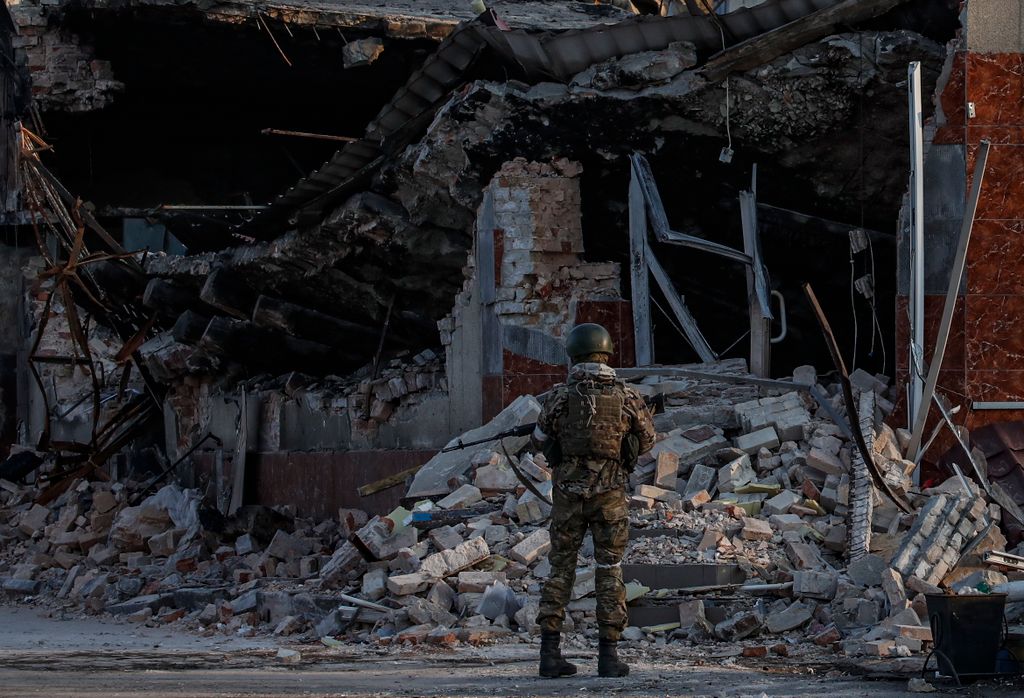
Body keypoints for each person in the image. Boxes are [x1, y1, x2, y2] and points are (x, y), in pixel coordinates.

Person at [531, 323, 656, 678]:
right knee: (609, 570)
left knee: (561, 570)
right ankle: (608, 656)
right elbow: (647, 440)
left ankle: (550, 654)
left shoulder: (557, 396)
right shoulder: (627, 396)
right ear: (606, 352)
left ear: (573, 354)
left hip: (568, 496)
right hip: (611, 497)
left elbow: (539, 440)